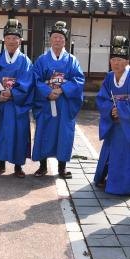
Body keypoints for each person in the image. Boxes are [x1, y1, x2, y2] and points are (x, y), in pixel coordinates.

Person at [93, 35, 130, 195]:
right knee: (112, 155)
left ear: (127, 62)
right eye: (113, 59)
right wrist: (111, 110)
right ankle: (108, 180)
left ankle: (129, 186)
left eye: (120, 60)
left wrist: (122, 111)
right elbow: (102, 98)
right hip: (115, 126)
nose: (116, 63)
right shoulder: (109, 78)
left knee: (129, 157)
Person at [31, 21, 85, 179]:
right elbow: (36, 80)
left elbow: (79, 80)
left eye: (61, 38)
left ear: (65, 41)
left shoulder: (72, 60)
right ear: (50, 39)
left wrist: (62, 90)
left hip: (64, 104)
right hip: (46, 102)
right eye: (55, 37)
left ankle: (62, 168)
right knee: (43, 132)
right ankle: (42, 166)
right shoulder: (41, 60)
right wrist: (48, 92)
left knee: (64, 134)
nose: (57, 40)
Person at [0, 19, 34, 178]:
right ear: (4, 40)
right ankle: (0, 165)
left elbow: (28, 81)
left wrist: (12, 93)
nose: (11, 41)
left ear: (20, 41)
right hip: (2, 105)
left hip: (18, 106)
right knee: (1, 134)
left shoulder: (25, 61)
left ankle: (18, 167)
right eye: (8, 38)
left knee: (19, 134)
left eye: (15, 38)